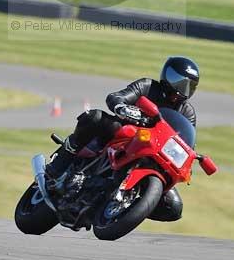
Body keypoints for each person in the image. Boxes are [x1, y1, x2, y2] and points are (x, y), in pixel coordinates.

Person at [46, 55, 200, 222]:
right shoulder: (147, 86)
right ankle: (62, 161)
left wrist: (189, 158)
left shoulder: (187, 112)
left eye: (189, 86)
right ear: (167, 76)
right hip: (126, 134)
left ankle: (130, 204)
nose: (182, 89)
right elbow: (116, 97)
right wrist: (122, 107)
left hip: (156, 151)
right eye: (179, 81)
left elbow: (187, 141)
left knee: (174, 207)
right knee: (95, 117)